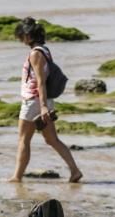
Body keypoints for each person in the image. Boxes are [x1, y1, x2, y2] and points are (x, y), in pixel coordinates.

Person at [7, 17, 83, 183]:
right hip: (43, 101)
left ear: (28, 36)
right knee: (51, 139)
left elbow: (41, 82)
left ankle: (16, 177)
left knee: (23, 140)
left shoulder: (35, 54)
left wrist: (42, 108)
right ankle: (75, 170)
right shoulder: (45, 50)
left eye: (21, 36)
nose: (20, 39)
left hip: (34, 102)